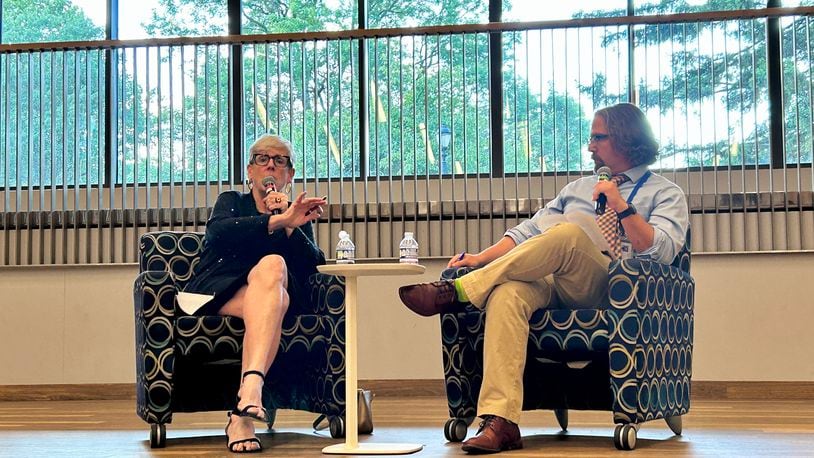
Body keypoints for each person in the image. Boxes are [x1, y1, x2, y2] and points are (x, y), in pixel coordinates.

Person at [398, 103, 689, 454]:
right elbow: (527, 232)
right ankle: (500, 421)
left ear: (627, 139)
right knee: (508, 292)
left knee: (567, 235)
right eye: (590, 138)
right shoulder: (577, 188)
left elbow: (662, 252)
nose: (590, 146)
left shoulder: (665, 192)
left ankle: (459, 292)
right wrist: (479, 259)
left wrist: (621, 205)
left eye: (598, 137)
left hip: (615, 293)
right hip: (555, 284)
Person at [183, 134, 327, 453]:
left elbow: (313, 265)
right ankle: (249, 394)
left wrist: (292, 223)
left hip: (271, 297)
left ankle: (243, 409)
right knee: (273, 294)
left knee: (274, 271)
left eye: (279, 161)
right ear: (250, 171)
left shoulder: (295, 212)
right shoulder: (231, 200)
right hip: (218, 292)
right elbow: (219, 234)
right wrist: (275, 221)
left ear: (289, 175)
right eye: (262, 159)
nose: (270, 166)